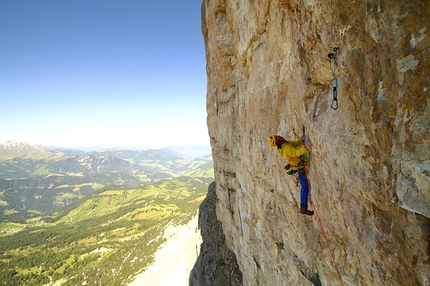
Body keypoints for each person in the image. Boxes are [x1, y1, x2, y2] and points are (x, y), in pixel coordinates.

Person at [268, 135, 314, 216]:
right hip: (298, 169)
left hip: (296, 168)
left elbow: (295, 144)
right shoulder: (286, 149)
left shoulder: (285, 144)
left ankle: (303, 207)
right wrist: (305, 147)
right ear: (278, 142)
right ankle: (303, 208)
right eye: (277, 138)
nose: (279, 136)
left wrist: (301, 139)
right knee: (305, 187)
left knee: (305, 187)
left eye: (277, 136)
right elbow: (295, 153)